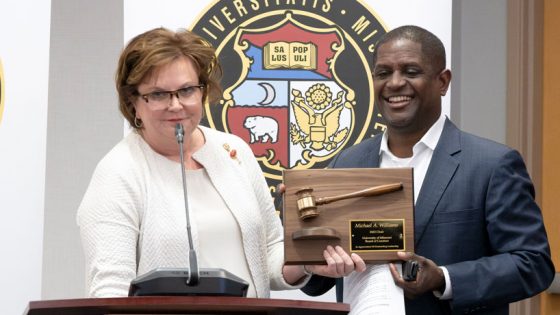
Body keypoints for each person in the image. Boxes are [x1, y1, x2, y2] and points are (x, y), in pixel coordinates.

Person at [77, 27, 366, 298]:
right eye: (158, 94)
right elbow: (110, 291)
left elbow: (269, 253)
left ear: (203, 91)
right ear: (133, 103)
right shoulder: (118, 173)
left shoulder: (234, 151)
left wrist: (307, 263)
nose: (176, 105)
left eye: (187, 90)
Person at [302, 25, 555, 314]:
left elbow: (533, 264)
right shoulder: (347, 163)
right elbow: (316, 283)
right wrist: (308, 247)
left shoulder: (492, 164)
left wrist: (443, 278)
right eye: (383, 73)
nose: (395, 83)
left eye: (411, 71)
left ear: (443, 81)